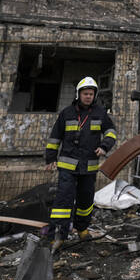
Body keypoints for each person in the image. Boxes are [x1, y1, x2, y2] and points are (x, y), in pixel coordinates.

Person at [45, 76, 117, 244]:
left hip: (89, 166)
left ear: (94, 95)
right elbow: (55, 137)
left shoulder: (100, 113)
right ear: (79, 94)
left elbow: (111, 131)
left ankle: (82, 229)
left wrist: (105, 146)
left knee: (85, 200)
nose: (88, 96)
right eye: (85, 93)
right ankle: (57, 236)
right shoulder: (66, 113)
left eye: (91, 94)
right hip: (67, 166)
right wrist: (50, 158)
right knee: (63, 200)